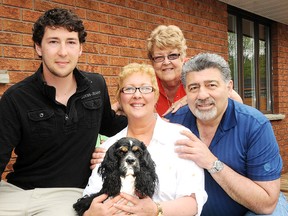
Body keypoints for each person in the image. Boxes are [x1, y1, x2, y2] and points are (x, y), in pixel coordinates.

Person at [0, 8, 127, 215]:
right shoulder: (16, 97)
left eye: (70, 42)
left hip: (67, 195)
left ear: (80, 49)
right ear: (38, 47)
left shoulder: (96, 86)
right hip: (15, 192)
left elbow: (112, 125)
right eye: (53, 42)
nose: (62, 51)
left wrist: (148, 114)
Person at [165, 52, 288, 215]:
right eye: (194, 88)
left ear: (229, 88)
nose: (202, 95)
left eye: (211, 85)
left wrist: (211, 162)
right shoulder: (172, 123)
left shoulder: (254, 125)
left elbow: (266, 203)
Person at [83, 63, 207, 216]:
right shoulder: (109, 148)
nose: (137, 95)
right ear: (119, 98)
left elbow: (193, 203)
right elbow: (91, 198)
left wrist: (156, 210)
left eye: (146, 88)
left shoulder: (180, 138)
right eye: (128, 89)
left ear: (155, 95)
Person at [147, 25, 243, 116]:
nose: (166, 62)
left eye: (172, 56)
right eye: (159, 57)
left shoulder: (195, 70)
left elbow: (236, 101)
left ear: (182, 57)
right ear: (152, 61)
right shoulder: (147, 81)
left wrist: (191, 97)